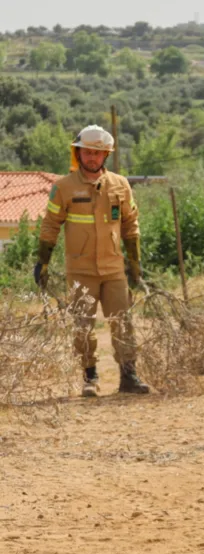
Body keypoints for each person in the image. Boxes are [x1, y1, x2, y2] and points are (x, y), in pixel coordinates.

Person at [34, 124, 151, 397]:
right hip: (80, 270)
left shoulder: (120, 185)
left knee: (123, 322)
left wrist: (135, 264)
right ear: (78, 153)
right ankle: (90, 377)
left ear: (106, 155)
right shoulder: (63, 187)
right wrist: (43, 263)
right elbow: (50, 225)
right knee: (83, 327)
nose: (92, 157)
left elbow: (131, 224)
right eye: (87, 152)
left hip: (113, 269)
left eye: (98, 153)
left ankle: (129, 377)